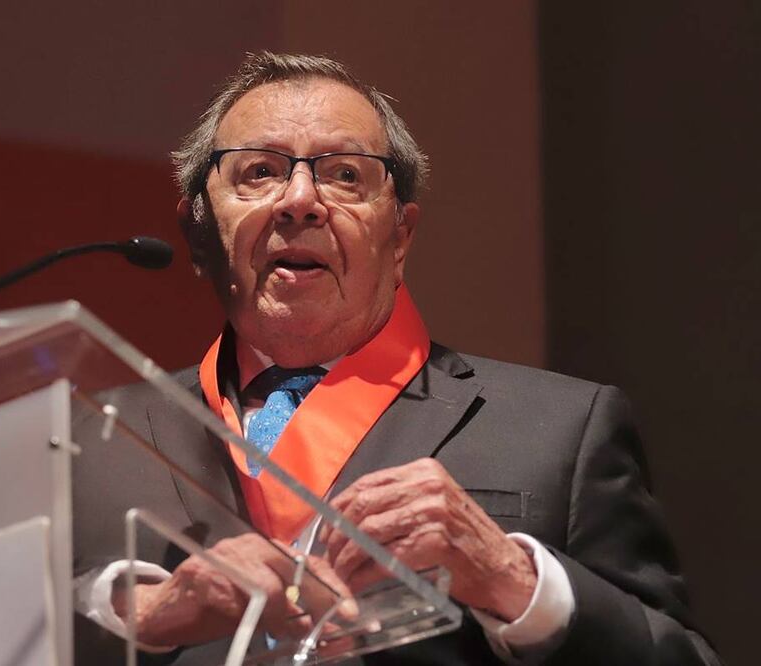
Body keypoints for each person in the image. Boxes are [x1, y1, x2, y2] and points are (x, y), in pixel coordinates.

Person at [71, 52, 721, 664]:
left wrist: (516, 582)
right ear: (199, 230)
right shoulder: (95, 436)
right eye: (260, 171)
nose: (299, 200)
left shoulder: (562, 429)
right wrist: (140, 617)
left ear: (400, 234)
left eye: (345, 174)